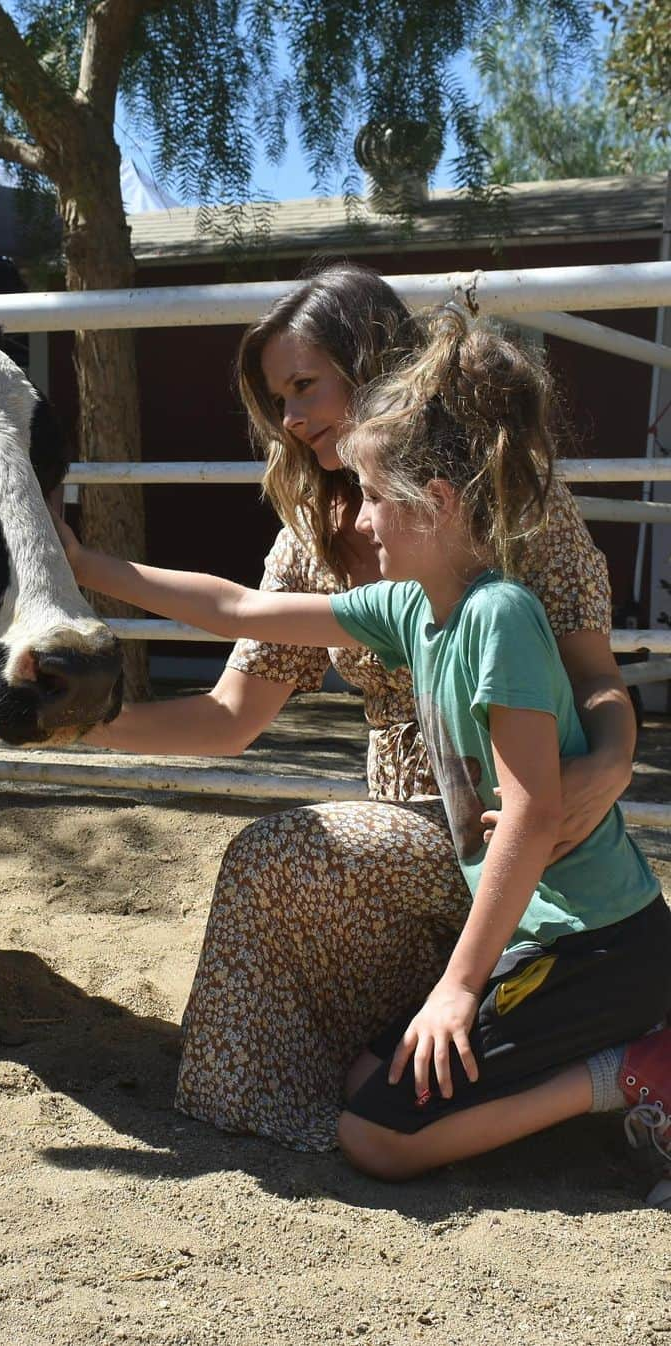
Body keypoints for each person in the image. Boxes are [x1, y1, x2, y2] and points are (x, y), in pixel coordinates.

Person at [58, 310, 671, 1184]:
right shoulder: (409, 607)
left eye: (379, 499)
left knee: (376, 1137)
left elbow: (531, 817)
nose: (365, 520)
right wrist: (88, 567)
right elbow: (234, 609)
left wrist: (458, 989)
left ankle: (634, 1071)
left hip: (595, 942)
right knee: (362, 1081)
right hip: (539, 938)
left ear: (440, 502)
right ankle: (574, 1077)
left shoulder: (500, 617)